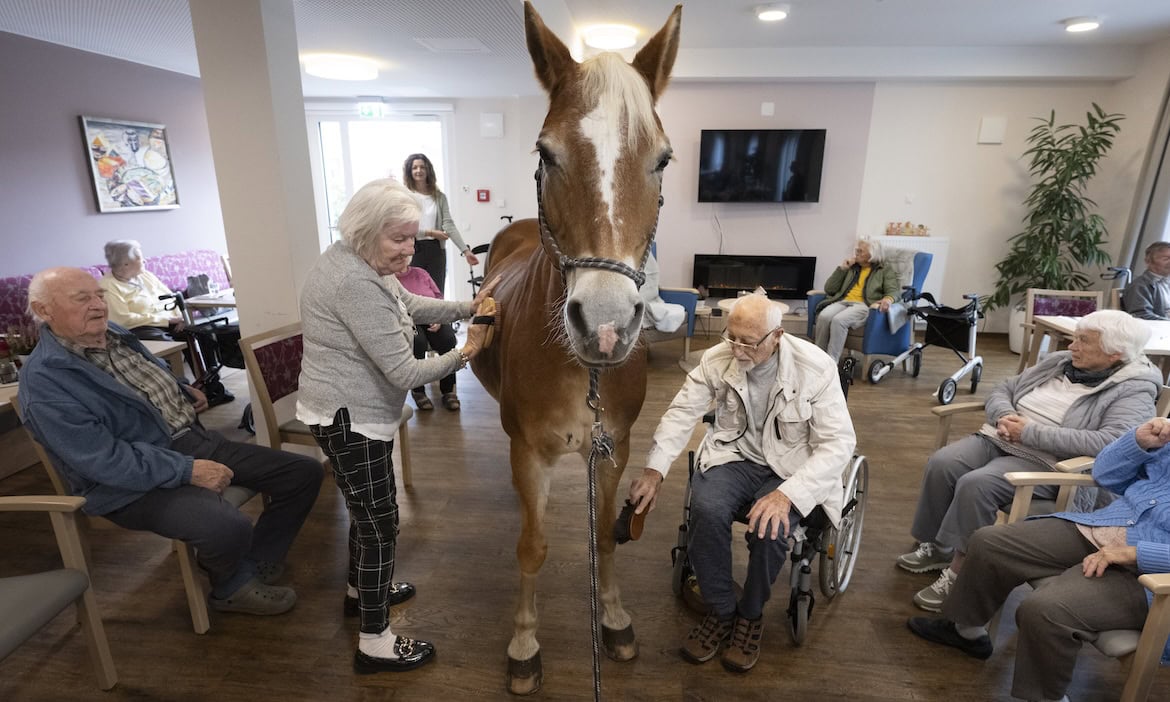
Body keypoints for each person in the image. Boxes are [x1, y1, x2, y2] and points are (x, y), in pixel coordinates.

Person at [17, 267, 322, 617]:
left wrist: (178, 389)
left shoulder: (113, 334)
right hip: (127, 484)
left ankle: (256, 560)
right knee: (224, 525)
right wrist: (186, 470)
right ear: (44, 311)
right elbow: (104, 460)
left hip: (190, 441)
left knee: (303, 473)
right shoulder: (46, 383)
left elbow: (134, 382)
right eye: (82, 298)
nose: (99, 305)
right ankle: (230, 587)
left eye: (99, 294)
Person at [297, 177, 498, 674]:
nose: (411, 249)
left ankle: (357, 591)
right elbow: (406, 373)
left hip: (350, 413)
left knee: (365, 514)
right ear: (367, 232)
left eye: (413, 237)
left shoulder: (359, 259)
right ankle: (375, 641)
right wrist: (468, 349)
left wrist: (467, 306)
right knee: (380, 523)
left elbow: (408, 305)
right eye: (400, 238)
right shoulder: (353, 281)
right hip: (352, 420)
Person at [627, 293, 855, 672]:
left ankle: (750, 616)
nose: (737, 349)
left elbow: (839, 443)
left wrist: (788, 495)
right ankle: (721, 609)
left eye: (748, 342)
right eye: (731, 337)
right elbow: (682, 412)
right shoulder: (718, 358)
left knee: (770, 528)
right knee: (705, 508)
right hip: (734, 456)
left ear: (776, 336)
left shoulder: (815, 367)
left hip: (790, 469)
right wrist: (655, 470)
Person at [897, 310, 1160, 613]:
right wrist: (1003, 416)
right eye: (1075, 337)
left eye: (1084, 341)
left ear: (1115, 353)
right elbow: (1004, 387)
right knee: (943, 462)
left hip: (1051, 462)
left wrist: (1031, 433)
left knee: (977, 484)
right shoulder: (1061, 360)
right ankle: (935, 547)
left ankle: (961, 574)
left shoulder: (1136, 389)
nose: (1072, 346)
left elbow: (1110, 443)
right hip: (1002, 437)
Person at [907, 418, 1170, 702]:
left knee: (1045, 609)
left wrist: (1137, 553)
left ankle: (1047, 698)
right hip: (1108, 527)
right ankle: (966, 631)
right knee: (989, 543)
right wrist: (1138, 442)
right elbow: (1105, 475)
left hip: (1151, 574)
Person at [402, 153, 478, 294]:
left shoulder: (439, 197)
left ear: (428, 170)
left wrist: (466, 251)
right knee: (414, 295)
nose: (418, 170)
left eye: (422, 167)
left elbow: (448, 225)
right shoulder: (405, 196)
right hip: (413, 249)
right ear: (409, 171)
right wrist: (430, 232)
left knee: (436, 293)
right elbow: (404, 226)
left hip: (436, 250)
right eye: (414, 168)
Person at [813, 239, 900, 362]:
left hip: (864, 304)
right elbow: (829, 289)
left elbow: (894, 291)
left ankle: (831, 362)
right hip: (843, 301)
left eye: (860, 251)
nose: (856, 253)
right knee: (824, 316)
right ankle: (818, 358)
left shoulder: (884, 270)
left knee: (839, 320)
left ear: (872, 254)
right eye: (856, 250)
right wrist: (842, 269)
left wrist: (888, 299)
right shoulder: (852, 267)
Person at [394, 265, 460, 411]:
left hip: (433, 317)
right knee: (417, 342)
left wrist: (438, 317)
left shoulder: (421, 273)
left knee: (447, 339)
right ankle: (418, 391)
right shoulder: (391, 279)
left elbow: (438, 297)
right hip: (410, 320)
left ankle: (449, 390)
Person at [98, 240, 184, 341]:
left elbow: (171, 297)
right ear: (125, 264)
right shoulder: (108, 285)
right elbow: (123, 320)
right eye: (139, 258)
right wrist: (166, 320)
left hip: (169, 322)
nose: (145, 260)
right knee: (166, 341)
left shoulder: (145, 275)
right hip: (140, 328)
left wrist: (181, 318)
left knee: (200, 332)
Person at [1123, 241, 1170, 320]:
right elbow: (1141, 315)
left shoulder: (1166, 282)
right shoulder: (1139, 286)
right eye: (1166, 259)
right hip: (1156, 330)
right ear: (1148, 261)